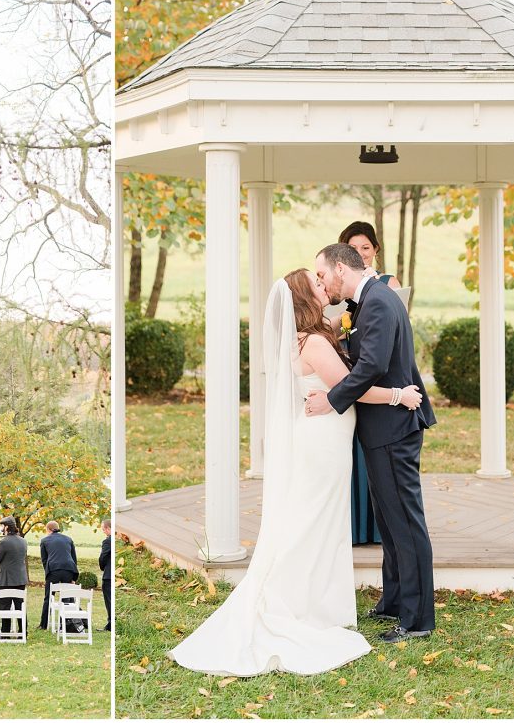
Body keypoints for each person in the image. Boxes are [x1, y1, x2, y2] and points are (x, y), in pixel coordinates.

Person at [168, 266, 423, 676]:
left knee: (317, 522)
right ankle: (299, 606)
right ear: (305, 297)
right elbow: (352, 386)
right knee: (314, 524)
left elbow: (341, 383)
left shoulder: (309, 337)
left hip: (325, 438)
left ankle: (313, 601)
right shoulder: (315, 344)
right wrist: (399, 395)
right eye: (317, 283)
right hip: (322, 442)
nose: (325, 285)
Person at [308, 243, 437, 643]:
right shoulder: (367, 303)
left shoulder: (378, 301)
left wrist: (332, 400)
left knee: (405, 523)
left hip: (393, 429)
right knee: (388, 519)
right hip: (383, 428)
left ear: (342, 269)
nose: (322, 283)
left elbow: (375, 366)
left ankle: (416, 620)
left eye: (323, 275)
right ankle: (394, 602)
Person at [338, 220, 400, 546]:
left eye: (366, 247)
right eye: (354, 249)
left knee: (374, 450)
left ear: (376, 250)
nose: (361, 254)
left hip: (378, 378)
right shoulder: (340, 289)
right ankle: (352, 526)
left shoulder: (388, 285)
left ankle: (375, 528)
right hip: (346, 375)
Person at [38, 520, 80, 631]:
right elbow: (73, 558)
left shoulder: (44, 541)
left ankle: (44, 624)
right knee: (66, 597)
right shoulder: (68, 539)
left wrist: (47, 573)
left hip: (53, 570)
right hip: (68, 569)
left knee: (49, 597)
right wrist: (73, 577)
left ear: (48, 529)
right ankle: (65, 624)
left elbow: (44, 560)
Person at [339, 220, 402, 291]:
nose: (359, 254)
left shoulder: (390, 284)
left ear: (375, 249)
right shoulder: (335, 283)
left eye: (365, 248)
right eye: (352, 248)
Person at [0, 516, 27, 635]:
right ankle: (23, 631)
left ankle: (5, 632)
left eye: (2, 526)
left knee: (4, 606)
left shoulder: (3, 542)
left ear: (6, 527)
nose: (1, 528)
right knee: (20, 606)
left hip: (6, 579)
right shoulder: (23, 541)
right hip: (20, 579)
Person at [99, 518, 111, 631]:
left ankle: (110, 624)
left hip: (108, 576)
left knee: (109, 601)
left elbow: (103, 558)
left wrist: (102, 567)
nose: (103, 531)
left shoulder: (107, 541)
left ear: (108, 528)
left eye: (103, 529)